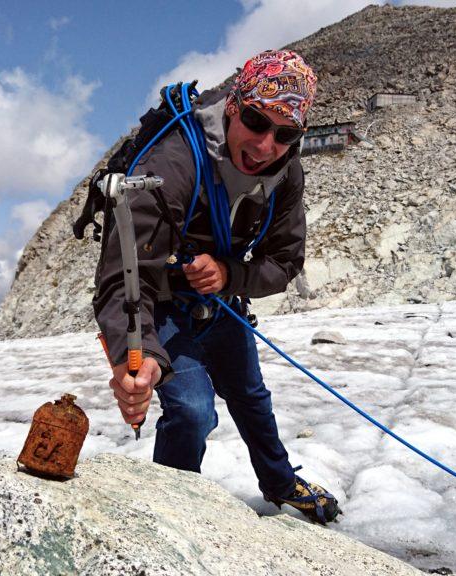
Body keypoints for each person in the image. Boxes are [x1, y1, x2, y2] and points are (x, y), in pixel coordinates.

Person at [93, 49, 339, 524]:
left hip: (222, 302)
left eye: (285, 134)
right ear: (232, 107)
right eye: (255, 121)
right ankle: (169, 510)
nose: (267, 144)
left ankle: (280, 482)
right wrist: (133, 356)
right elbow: (122, 278)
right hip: (161, 304)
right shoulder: (172, 164)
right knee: (191, 410)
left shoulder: (287, 173)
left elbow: (285, 260)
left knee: (250, 396)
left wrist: (230, 276)